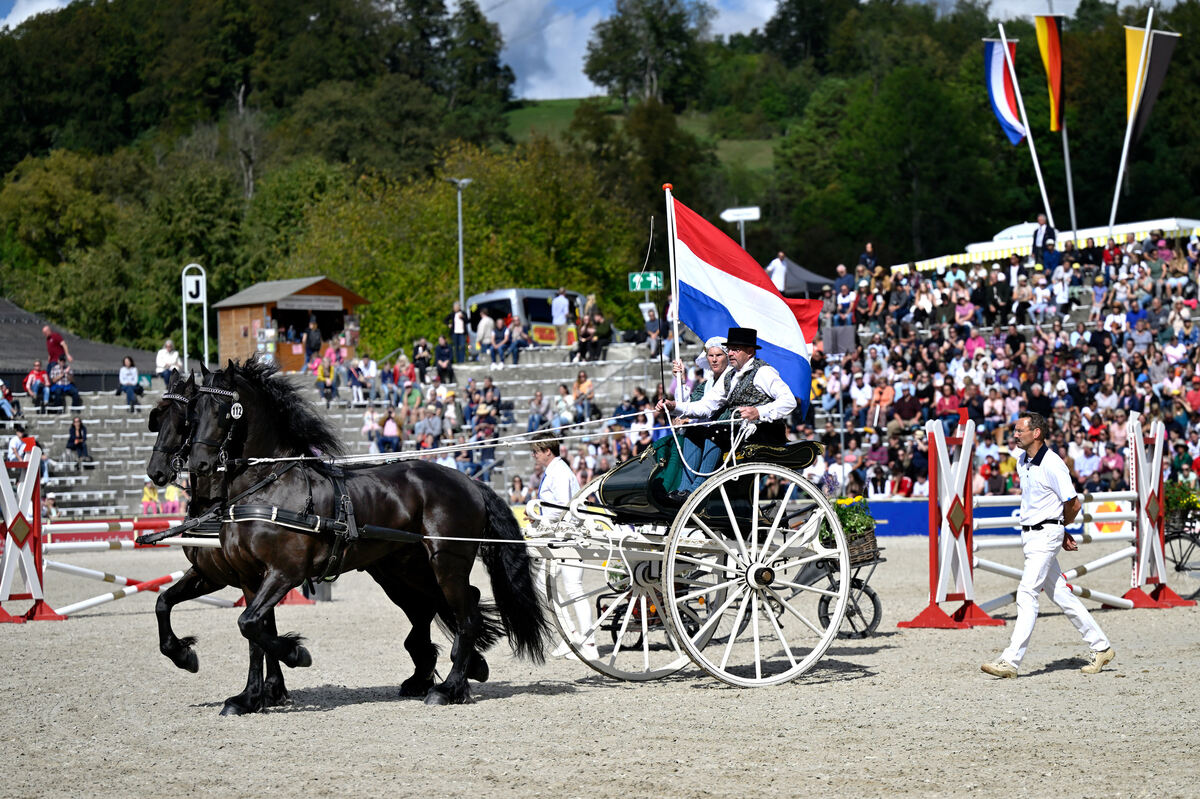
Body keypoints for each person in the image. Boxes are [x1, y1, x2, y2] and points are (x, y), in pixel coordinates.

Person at [981, 412, 1115, 679]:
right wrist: (1059, 527)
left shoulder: (1053, 463)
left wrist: (1059, 526)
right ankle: (1101, 647)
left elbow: (1073, 503)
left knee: (1027, 592)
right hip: (1033, 535)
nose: (1015, 434)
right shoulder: (1022, 461)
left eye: (1019, 430)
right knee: (1061, 594)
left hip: (1045, 535)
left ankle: (1011, 659)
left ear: (1036, 433)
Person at [658, 327, 797, 448]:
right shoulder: (730, 377)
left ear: (749, 352)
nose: (730, 353)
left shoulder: (763, 372)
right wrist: (674, 406)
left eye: (735, 349)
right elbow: (706, 406)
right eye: (729, 349)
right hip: (738, 433)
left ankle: (702, 479)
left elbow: (789, 401)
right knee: (694, 434)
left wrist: (758, 412)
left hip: (763, 433)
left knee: (713, 434)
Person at [529, 432, 599, 661]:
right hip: (561, 537)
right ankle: (570, 635)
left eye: (536, 452)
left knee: (573, 587)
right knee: (544, 585)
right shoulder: (555, 471)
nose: (534, 456)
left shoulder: (559, 472)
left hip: (568, 536)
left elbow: (559, 507)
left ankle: (588, 642)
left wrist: (539, 517)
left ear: (547, 451)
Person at [668, 336, 731, 499]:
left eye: (719, 355)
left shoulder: (731, 380)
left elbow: (706, 410)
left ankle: (697, 487)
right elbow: (690, 405)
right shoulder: (706, 385)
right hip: (707, 429)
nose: (714, 360)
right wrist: (680, 380)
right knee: (692, 432)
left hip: (726, 431)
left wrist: (683, 413)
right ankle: (684, 487)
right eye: (711, 356)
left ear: (726, 357)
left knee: (712, 432)